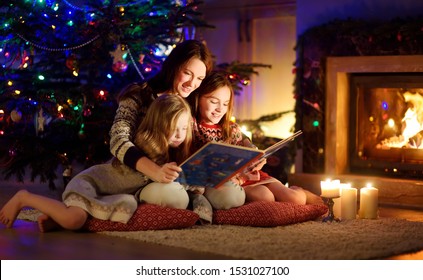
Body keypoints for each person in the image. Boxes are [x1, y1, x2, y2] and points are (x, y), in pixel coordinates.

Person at [0, 94, 193, 231]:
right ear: (159, 124)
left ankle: (56, 219)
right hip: (90, 184)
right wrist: (160, 171)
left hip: (108, 194)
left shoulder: (171, 152)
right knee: (74, 220)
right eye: (174, 128)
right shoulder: (144, 146)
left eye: (184, 128)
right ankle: (24, 198)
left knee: (90, 217)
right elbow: (148, 172)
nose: (179, 135)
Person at [188, 71, 322, 206]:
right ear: (198, 98)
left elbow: (247, 149)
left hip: (252, 175)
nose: (219, 109)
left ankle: (298, 191)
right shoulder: (192, 126)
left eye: (225, 104)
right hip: (234, 182)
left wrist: (256, 157)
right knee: (265, 198)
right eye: (214, 101)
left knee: (295, 199)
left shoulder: (231, 128)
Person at [109, 39, 213, 184]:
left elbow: (220, 127)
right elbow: (118, 141)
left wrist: (247, 146)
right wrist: (155, 172)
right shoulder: (139, 95)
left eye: (200, 78)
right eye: (187, 73)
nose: (192, 84)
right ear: (174, 67)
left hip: (180, 179)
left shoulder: (193, 102)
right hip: (138, 176)